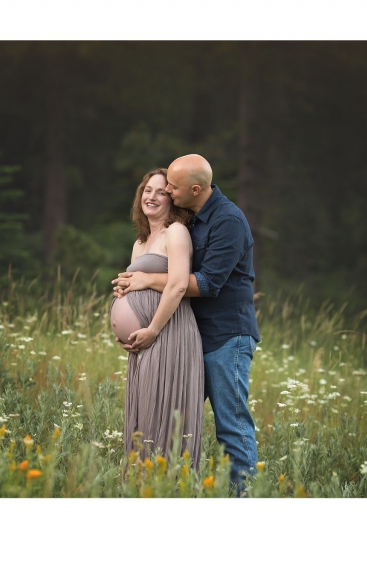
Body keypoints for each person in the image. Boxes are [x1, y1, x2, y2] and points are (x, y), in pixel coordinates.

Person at [113, 154, 260, 494]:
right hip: (189, 337)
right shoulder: (192, 220)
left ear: (195, 189)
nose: (168, 193)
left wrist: (148, 280)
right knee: (173, 419)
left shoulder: (228, 221)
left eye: (172, 189)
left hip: (226, 337)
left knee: (231, 426)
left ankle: (246, 501)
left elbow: (205, 284)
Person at [109, 168, 204, 468]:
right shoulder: (140, 241)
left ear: (172, 199)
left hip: (168, 332)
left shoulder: (176, 232)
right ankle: (142, 485)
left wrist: (151, 329)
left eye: (161, 191)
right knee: (144, 416)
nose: (151, 196)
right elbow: (139, 282)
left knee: (161, 411)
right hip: (143, 341)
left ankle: (168, 486)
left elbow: (177, 285)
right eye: (147, 190)